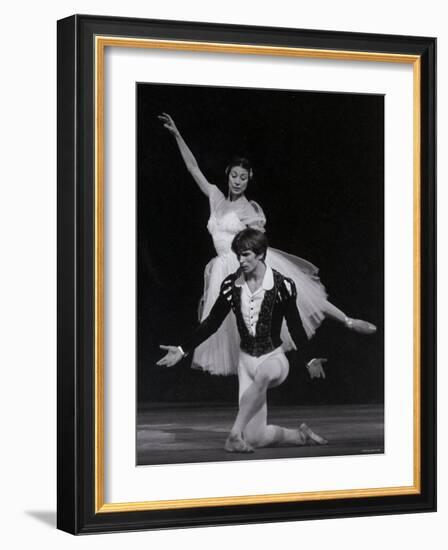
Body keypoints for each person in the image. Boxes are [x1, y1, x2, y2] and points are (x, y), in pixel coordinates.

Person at [157, 113, 376, 376]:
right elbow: (193, 168)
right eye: (235, 175)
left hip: (246, 262)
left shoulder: (249, 210)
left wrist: (253, 266)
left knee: (300, 298)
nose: (238, 181)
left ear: (249, 180)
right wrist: (177, 134)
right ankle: (251, 384)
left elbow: (258, 242)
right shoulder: (215, 196)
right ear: (228, 175)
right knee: (221, 325)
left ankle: (347, 320)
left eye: (244, 177)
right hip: (222, 267)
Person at [157, 228, 329, 452]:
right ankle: (300, 435)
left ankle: (233, 434)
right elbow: (212, 323)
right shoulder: (231, 286)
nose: (240, 260)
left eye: (246, 254)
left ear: (260, 254)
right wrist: (182, 349)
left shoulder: (283, 286)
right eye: (238, 254)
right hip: (246, 362)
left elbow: (295, 326)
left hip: (274, 359)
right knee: (257, 438)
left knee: (264, 374)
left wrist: (310, 358)